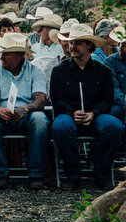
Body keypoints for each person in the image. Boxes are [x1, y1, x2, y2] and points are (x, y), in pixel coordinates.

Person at [51, 24, 124, 190]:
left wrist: (94, 112)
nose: (72, 47)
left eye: (77, 43)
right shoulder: (59, 71)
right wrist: (72, 111)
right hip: (69, 116)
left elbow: (107, 99)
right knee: (60, 127)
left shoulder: (103, 71)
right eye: (71, 43)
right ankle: (73, 174)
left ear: (88, 45)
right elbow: (57, 99)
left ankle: (100, 171)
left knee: (114, 126)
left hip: (96, 116)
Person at [0, 32, 51, 190]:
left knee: (40, 120)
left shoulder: (35, 71)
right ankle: (0, 172)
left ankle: (36, 174)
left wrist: (25, 108)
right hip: (2, 112)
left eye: (6, 53)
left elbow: (40, 100)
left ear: (19, 55)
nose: (1, 56)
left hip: (27, 114)